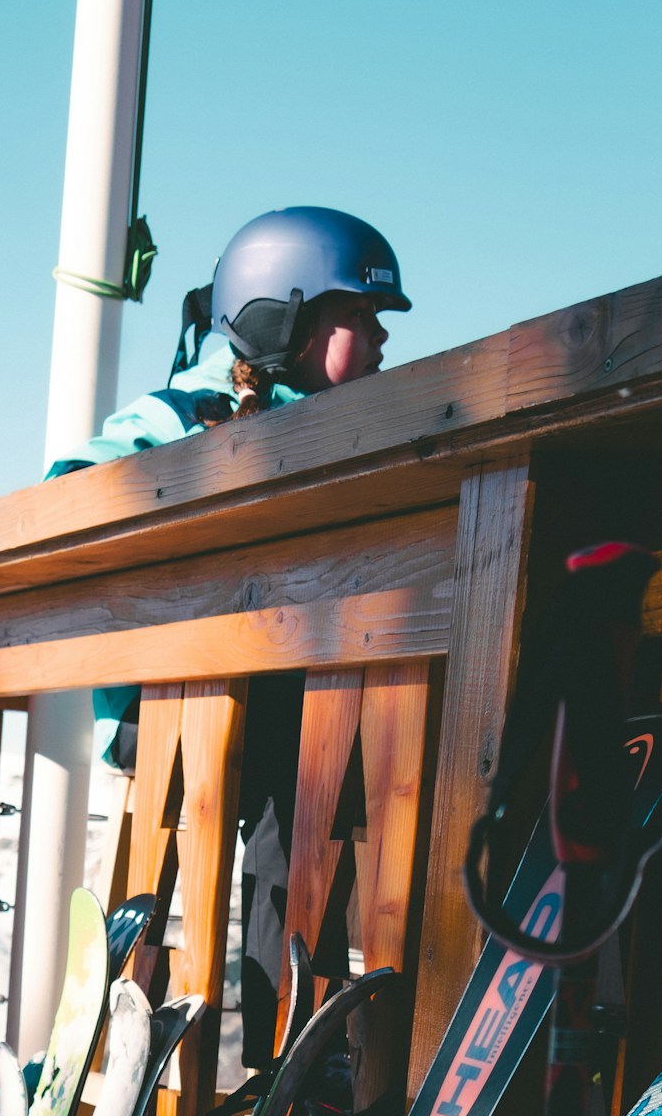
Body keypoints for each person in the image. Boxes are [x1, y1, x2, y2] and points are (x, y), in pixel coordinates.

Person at [48, 206, 410, 1062]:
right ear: (278, 316)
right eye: (358, 318)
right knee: (173, 858)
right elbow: (74, 489)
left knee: (305, 854)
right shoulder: (189, 411)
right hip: (174, 702)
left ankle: (288, 1060)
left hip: (295, 703)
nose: (380, 342)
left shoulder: (357, 435)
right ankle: (117, 1029)